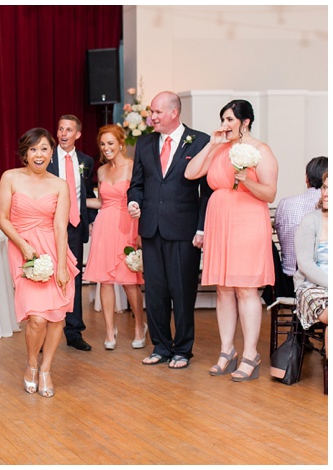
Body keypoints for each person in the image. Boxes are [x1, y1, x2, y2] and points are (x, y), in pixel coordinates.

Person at [185, 99, 278, 381]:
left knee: (246, 289)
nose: (225, 125)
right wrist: (213, 144)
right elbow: (191, 173)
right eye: (223, 119)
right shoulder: (220, 149)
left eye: (229, 120)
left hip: (248, 218)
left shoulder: (261, 150)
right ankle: (227, 350)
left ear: (245, 121)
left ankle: (251, 353)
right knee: (224, 288)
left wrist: (245, 180)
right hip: (220, 219)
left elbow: (270, 193)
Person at [127, 91, 211, 369]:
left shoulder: (200, 141)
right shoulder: (145, 143)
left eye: (157, 113)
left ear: (174, 113)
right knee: (155, 292)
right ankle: (160, 346)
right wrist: (134, 201)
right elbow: (136, 183)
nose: (151, 117)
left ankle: (183, 350)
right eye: (151, 112)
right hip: (151, 228)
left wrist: (201, 229)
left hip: (185, 230)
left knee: (183, 291)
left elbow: (206, 193)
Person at [0, 127, 77, 398]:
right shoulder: (10, 178)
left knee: (56, 319)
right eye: (33, 149)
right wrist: (23, 245)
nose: (39, 154)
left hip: (54, 250)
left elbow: (60, 228)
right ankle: (32, 364)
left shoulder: (59, 185)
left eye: (44, 148)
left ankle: (46, 370)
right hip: (23, 250)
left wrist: (63, 266)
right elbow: (3, 219)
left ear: (51, 153)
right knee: (37, 318)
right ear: (25, 154)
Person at [84, 124, 146, 350]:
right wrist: (75, 200)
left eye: (110, 143)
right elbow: (101, 202)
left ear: (121, 143)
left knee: (130, 281)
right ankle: (110, 331)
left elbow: (141, 198)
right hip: (104, 226)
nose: (106, 148)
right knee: (105, 281)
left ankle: (140, 326)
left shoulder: (132, 167)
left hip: (127, 225)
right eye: (102, 144)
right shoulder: (100, 171)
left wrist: (139, 232)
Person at [46, 115, 97, 351]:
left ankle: (74, 331)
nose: (63, 134)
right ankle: (44, 331)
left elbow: (86, 194)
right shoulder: (45, 158)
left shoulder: (86, 161)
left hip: (74, 227)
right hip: (48, 227)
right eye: (60, 129)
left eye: (69, 130)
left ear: (77, 134)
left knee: (74, 278)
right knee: (48, 275)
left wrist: (93, 222)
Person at [275, 156, 328, 295]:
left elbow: (280, 234)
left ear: (306, 178)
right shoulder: (319, 212)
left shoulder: (285, 204)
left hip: (286, 279)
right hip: (314, 282)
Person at [294, 172, 328, 358]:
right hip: (313, 287)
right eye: (325, 187)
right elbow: (305, 264)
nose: (326, 193)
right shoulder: (311, 221)